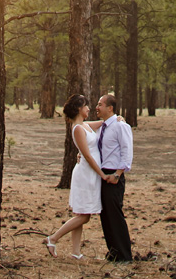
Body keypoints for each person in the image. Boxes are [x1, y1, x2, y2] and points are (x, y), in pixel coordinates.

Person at [45, 94, 108, 259]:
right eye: (86, 106)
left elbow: (105, 123)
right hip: (86, 174)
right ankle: (53, 238)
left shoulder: (85, 125)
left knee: (81, 214)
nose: (89, 108)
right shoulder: (78, 128)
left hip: (90, 173)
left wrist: (118, 118)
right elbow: (87, 155)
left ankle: (76, 252)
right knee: (84, 216)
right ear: (79, 109)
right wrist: (102, 174)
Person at [95, 93, 133, 262]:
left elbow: (127, 152)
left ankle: (124, 255)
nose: (97, 107)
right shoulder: (102, 127)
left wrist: (118, 174)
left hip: (114, 175)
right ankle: (113, 252)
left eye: (100, 104)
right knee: (105, 216)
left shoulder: (120, 126)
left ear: (110, 108)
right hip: (102, 175)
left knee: (115, 215)